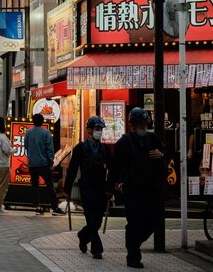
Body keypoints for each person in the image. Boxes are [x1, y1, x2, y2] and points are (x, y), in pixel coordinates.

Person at [106, 107, 166, 269]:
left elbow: (166, 154)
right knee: (134, 222)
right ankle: (133, 255)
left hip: (151, 189)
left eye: (144, 124)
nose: (142, 127)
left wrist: (161, 155)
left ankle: (133, 243)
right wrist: (110, 188)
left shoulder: (153, 139)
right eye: (139, 124)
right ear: (132, 125)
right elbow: (114, 167)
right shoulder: (123, 143)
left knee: (154, 220)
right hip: (132, 189)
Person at [64, 116, 110, 259]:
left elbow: (113, 168)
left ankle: (83, 235)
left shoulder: (105, 149)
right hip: (87, 187)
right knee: (91, 218)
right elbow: (72, 169)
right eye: (97, 129)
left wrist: (113, 186)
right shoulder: (80, 149)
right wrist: (67, 188)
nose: (99, 132)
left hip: (101, 187)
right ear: (89, 130)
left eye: (101, 129)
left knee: (98, 220)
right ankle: (96, 248)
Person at [24, 113, 65, 215]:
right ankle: (55, 207)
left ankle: (37, 206)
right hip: (43, 164)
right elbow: (50, 149)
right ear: (42, 121)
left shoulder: (28, 132)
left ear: (33, 121)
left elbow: (25, 146)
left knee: (34, 185)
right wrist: (50, 161)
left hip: (32, 164)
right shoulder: (46, 132)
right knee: (50, 185)